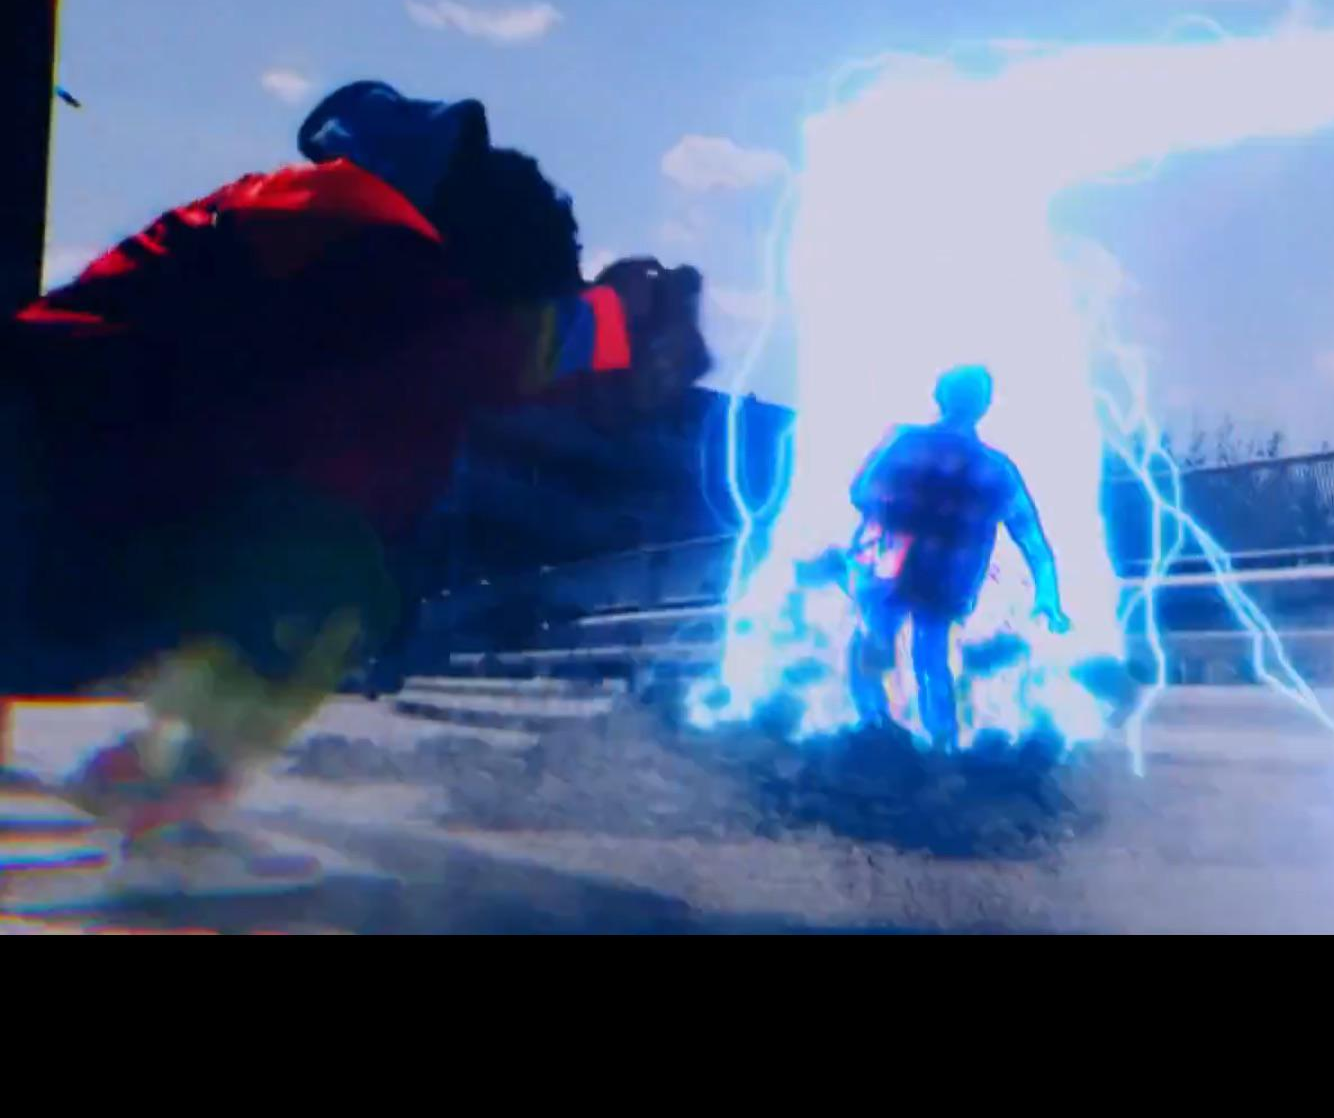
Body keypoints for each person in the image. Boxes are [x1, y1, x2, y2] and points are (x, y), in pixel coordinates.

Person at [0, 81, 708, 885]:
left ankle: (150, 789)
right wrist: (618, 323)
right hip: (44, 490)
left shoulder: (353, 263)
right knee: (332, 571)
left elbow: (477, 365)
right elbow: (474, 348)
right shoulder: (353, 223)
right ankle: (160, 801)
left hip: (79, 490)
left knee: (335, 558)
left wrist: (615, 343)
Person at [843, 365, 1069, 751]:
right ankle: (937, 740)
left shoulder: (906, 443)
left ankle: (879, 726)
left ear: (939, 395)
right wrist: (1048, 595)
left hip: (892, 569)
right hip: (942, 580)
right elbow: (1031, 539)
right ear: (985, 405)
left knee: (881, 645)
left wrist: (900, 510)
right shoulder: (994, 468)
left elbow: (861, 493)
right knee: (928, 656)